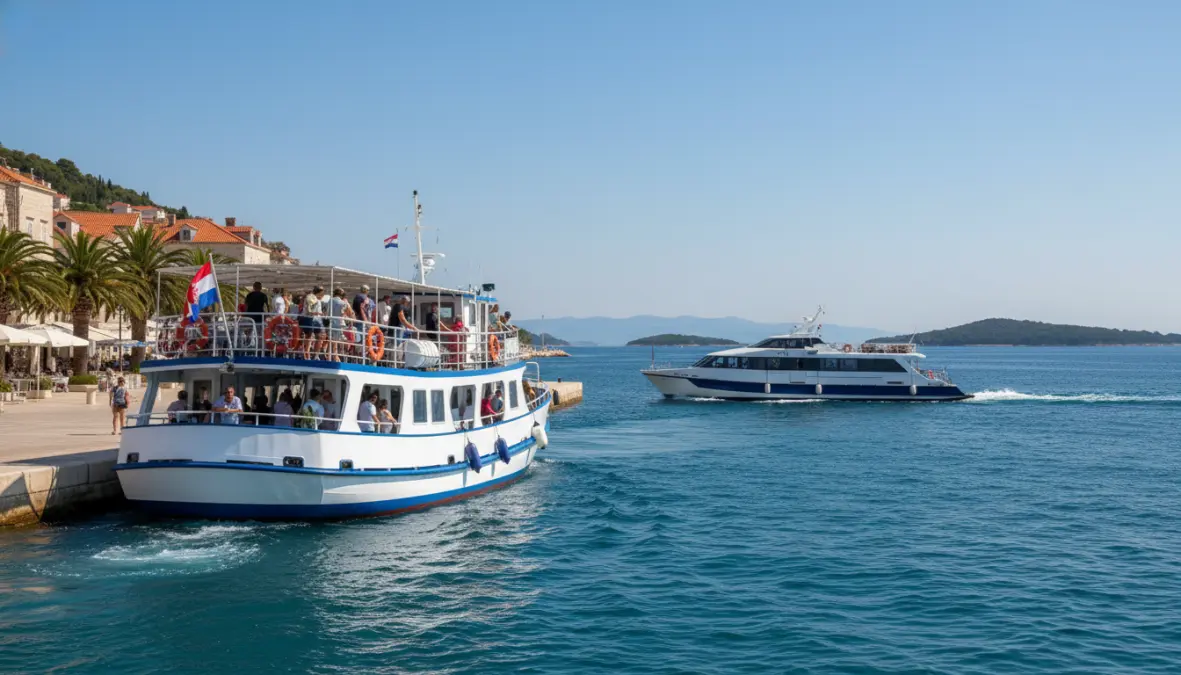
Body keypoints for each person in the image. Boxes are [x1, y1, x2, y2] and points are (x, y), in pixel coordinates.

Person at [302, 286, 326, 358]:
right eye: (322, 293)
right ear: (319, 292)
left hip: (316, 320)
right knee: (309, 336)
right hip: (310, 319)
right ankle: (307, 354)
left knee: (319, 336)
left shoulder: (317, 300)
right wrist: (318, 313)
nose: (323, 295)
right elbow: (309, 310)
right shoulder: (311, 298)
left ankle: (315, 354)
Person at [327, 288, 350, 361]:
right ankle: (335, 356)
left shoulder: (330, 300)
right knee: (336, 340)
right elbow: (347, 313)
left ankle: (330, 355)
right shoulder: (342, 303)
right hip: (338, 323)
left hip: (329, 322)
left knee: (332, 340)